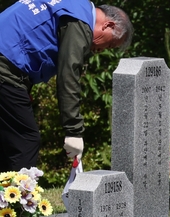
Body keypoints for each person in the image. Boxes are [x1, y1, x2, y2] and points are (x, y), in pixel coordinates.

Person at [0, 1, 133, 172]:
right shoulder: (80, 20)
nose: (101, 50)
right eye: (109, 44)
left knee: (7, 138)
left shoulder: (72, 5)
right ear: (108, 25)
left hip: (7, 65)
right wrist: (74, 131)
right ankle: (19, 196)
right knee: (25, 140)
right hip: (5, 69)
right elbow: (68, 74)